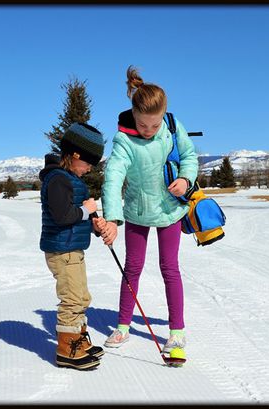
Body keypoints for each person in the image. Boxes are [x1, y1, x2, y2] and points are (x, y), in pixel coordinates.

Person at [98, 66, 198, 362]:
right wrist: (113, 219)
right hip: (138, 213)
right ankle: (122, 325)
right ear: (134, 115)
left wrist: (186, 180)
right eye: (144, 125)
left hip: (170, 209)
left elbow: (189, 157)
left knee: (170, 268)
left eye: (155, 126)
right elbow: (113, 176)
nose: (149, 131)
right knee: (133, 268)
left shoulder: (171, 124)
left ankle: (176, 331)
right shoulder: (124, 140)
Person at [39, 122, 106, 370]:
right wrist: (86, 210)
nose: (89, 169)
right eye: (88, 163)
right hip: (62, 250)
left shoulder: (69, 179)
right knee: (72, 299)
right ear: (75, 155)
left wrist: (93, 225)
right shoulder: (58, 179)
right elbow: (62, 216)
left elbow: (75, 220)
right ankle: (68, 350)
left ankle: (78, 339)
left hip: (71, 248)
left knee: (81, 296)